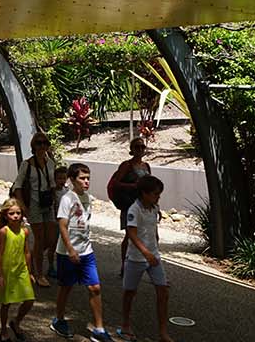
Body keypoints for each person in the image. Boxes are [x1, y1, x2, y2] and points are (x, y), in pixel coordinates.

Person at [51, 164, 110, 341]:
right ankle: (59, 320)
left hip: (86, 251)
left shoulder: (88, 198)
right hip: (67, 252)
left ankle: (99, 329)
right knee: (66, 287)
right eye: (82, 178)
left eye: (88, 178)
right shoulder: (67, 199)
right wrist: (70, 249)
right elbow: (62, 225)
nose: (86, 182)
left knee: (95, 287)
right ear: (72, 179)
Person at [119, 175, 173, 342]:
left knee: (163, 291)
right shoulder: (134, 209)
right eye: (155, 194)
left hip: (153, 256)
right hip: (136, 258)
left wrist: (155, 246)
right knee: (129, 292)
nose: (158, 197)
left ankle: (163, 332)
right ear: (144, 193)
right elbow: (132, 234)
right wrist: (145, 253)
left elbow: (153, 229)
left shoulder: (154, 208)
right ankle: (125, 324)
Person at [12, 133, 61, 287]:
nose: (42, 146)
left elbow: (53, 185)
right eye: (39, 143)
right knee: (39, 239)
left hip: (48, 204)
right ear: (33, 146)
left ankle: (30, 260)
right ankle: (39, 274)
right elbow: (17, 186)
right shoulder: (27, 165)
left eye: (45, 143)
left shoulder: (50, 163)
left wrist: (57, 202)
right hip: (34, 204)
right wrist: (23, 206)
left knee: (51, 238)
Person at [0, 198, 36, 342]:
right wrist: (0, 275)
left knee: (29, 299)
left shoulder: (25, 231)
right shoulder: (4, 231)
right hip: (7, 272)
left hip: (21, 269)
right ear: (6, 215)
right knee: (6, 303)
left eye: (18, 213)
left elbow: (27, 252)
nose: (15, 216)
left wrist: (30, 272)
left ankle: (16, 322)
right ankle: (3, 330)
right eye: (11, 213)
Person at [108, 140, 153, 276]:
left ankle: (150, 266)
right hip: (130, 205)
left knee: (149, 234)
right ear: (131, 149)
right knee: (129, 235)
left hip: (145, 205)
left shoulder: (146, 166)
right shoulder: (126, 165)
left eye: (142, 146)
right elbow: (116, 184)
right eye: (137, 147)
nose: (140, 149)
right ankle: (125, 266)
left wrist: (154, 205)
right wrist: (133, 186)